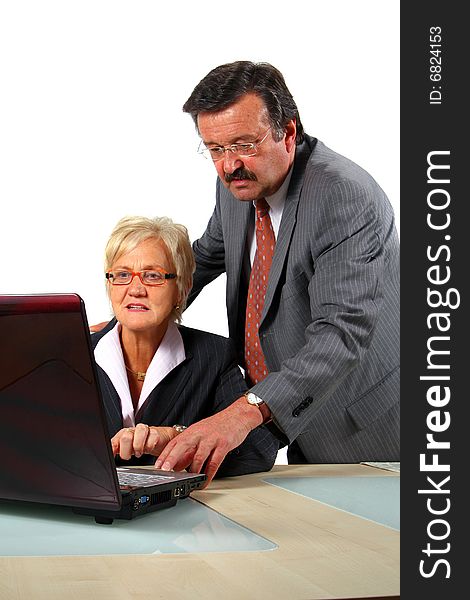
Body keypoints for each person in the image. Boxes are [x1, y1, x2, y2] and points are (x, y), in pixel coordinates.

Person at [153, 61, 400, 483]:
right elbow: (208, 256)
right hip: (294, 413)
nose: (229, 165)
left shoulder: (345, 198)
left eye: (244, 144)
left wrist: (243, 411)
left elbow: (340, 334)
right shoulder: (239, 184)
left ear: (288, 132)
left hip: (370, 428)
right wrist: (133, 315)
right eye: (214, 148)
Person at [92, 215, 279, 478]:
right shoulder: (75, 352)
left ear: (182, 289)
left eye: (152, 275)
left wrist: (174, 438)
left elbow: (258, 450)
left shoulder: (214, 355)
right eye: (122, 274)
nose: (135, 289)